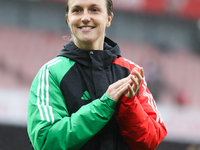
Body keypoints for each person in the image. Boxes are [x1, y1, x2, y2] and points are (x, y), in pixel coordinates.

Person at [27, 0, 167, 149]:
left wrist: (129, 104)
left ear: (108, 19)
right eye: (77, 10)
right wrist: (104, 105)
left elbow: (151, 140)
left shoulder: (131, 71)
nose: (85, 17)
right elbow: (46, 142)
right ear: (68, 19)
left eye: (94, 9)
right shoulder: (51, 73)